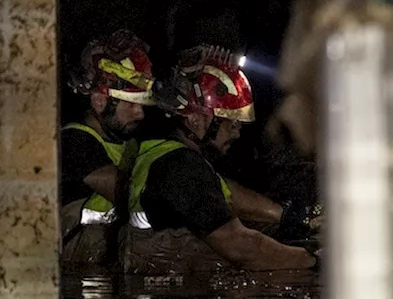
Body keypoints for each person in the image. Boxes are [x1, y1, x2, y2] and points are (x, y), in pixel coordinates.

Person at [119, 44, 318, 274]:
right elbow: (243, 249)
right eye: (229, 122)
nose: (236, 133)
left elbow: (229, 197)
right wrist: (315, 260)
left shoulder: (166, 154)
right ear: (195, 119)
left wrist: (294, 219)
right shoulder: (181, 167)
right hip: (171, 297)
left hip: (156, 284)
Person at [60, 30, 158, 268]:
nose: (140, 114)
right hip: (76, 269)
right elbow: (129, 191)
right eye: (132, 104)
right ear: (100, 101)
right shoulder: (72, 141)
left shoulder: (130, 144)